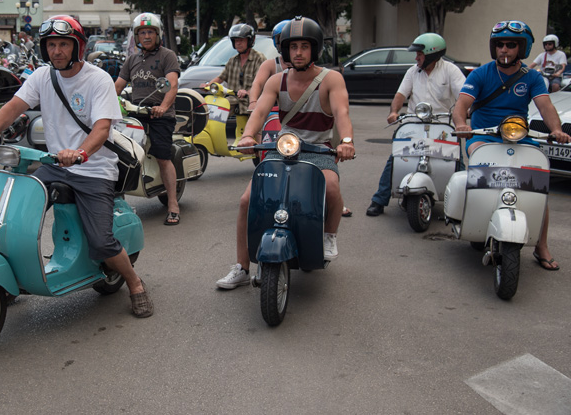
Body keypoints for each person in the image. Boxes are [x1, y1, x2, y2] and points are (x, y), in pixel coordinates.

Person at [0, 15, 153, 318]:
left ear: (77, 47)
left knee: (101, 241)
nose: (56, 51)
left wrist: (81, 154)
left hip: (94, 169)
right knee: (14, 213)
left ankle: (135, 284)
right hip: (56, 165)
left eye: (63, 45)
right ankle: (8, 277)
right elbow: (13, 107)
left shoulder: (97, 80)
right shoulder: (42, 77)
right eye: (51, 45)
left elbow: (101, 129)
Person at [216, 16, 355, 289]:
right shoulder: (276, 80)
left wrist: (347, 140)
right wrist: (246, 135)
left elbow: (342, 112)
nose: (298, 52)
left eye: (304, 46)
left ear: (314, 50)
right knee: (247, 200)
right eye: (293, 47)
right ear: (285, 51)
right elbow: (259, 113)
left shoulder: (331, 79)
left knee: (331, 188)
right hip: (284, 149)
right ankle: (242, 266)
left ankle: (328, 235)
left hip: (319, 150)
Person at [453, 20, 571, 271]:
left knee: (537, 188)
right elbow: (461, 105)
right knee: (482, 172)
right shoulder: (481, 73)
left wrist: (557, 130)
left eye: (510, 45)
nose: (504, 50)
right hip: (483, 137)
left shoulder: (533, 77)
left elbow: (545, 106)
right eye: (500, 45)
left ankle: (541, 245)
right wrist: (462, 124)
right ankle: (475, 221)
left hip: (519, 137)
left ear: (522, 48)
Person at [366, 33, 466, 216]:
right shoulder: (413, 71)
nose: (416, 58)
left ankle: (464, 203)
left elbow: (463, 97)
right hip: (414, 123)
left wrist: (462, 118)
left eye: (419, 54)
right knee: (395, 158)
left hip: (442, 125)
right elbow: (400, 95)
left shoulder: (451, 71)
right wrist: (394, 112)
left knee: (456, 160)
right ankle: (379, 200)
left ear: (431, 54)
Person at [115, 13, 182, 226]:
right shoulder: (132, 60)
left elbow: (172, 84)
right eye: (142, 33)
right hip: (136, 114)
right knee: (119, 154)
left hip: (159, 115)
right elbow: (117, 85)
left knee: (163, 156)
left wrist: (163, 107)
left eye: (150, 32)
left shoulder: (167, 55)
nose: (146, 36)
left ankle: (172, 204)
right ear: (136, 36)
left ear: (157, 34)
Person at [205, 23, 266, 121]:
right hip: (233, 101)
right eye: (236, 40)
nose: (238, 43)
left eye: (241, 40)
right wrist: (208, 85)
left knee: (255, 132)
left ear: (250, 41)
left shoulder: (259, 58)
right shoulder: (232, 61)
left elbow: (261, 84)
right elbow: (221, 78)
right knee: (212, 115)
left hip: (252, 104)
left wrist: (247, 92)